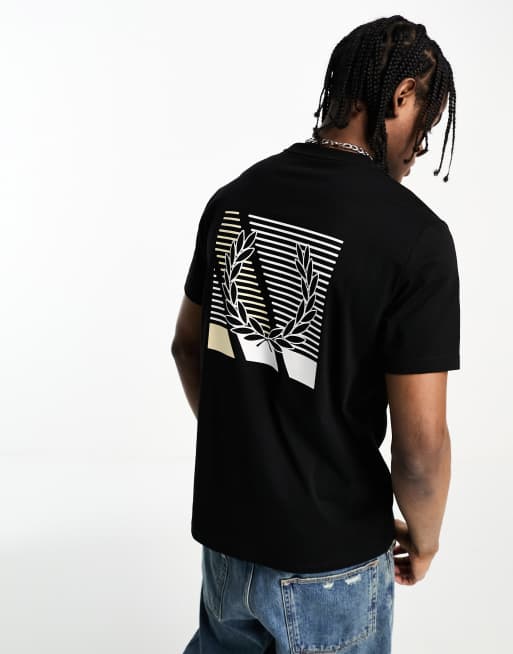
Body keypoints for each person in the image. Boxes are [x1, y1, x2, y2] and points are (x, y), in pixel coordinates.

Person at [172, 14, 460, 654]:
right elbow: (420, 446)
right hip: (332, 569)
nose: (419, 149)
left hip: (227, 549)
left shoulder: (234, 198)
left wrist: (256, 454)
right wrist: (426, 536)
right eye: (426, 124)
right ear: (401, 95)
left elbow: (187, 347)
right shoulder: (416, 239)